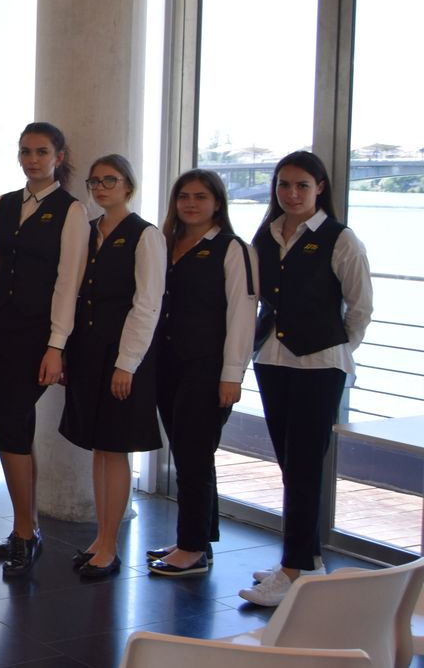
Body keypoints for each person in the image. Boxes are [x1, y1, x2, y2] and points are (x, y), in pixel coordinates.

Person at [239, 151, 372, 607]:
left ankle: (293, 570)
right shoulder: (267, 234)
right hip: (274, 359)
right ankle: (308, 559)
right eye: (283, 185)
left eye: (301, 186)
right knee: (289, 463)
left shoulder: (340, 239)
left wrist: (337, 347)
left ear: (319, 189)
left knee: (305, 465)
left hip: (320, 365)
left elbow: (360, 308)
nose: (291, 194)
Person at [0, 122, 88, 579]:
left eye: (41, 152)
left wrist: (57, 345)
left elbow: (68, 283)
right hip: (0, 330)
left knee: (7, 419)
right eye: (25, 152)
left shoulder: (72, 210)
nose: (32, 160)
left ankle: (25, 529)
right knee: (13, 421)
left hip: (40, 335)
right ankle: (28, 527)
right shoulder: (4, 204)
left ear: (59, 156)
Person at [145, 169, 256, 578]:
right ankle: (197, 538)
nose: (190, 203)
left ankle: (192, 548)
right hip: (167, 364)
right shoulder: (167, 244)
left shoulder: (232, 248)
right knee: (190, 452)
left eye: (200, 197)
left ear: (217, 203)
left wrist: (232, 374)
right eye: (184, 196)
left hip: (207, 367)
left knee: (193, 453)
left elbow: (243, 316)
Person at [57, 155, 164, 577]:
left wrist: (128, 364)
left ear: (128, 186)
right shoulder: (88, 232)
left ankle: (110, 544)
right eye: (95, 181)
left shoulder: (145, 235)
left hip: (124, 358)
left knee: (115, 448)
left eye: (110, 180)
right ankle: (101, 538)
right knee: (98, 448)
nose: (101, 188)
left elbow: (147, 304)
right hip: (88, 352)